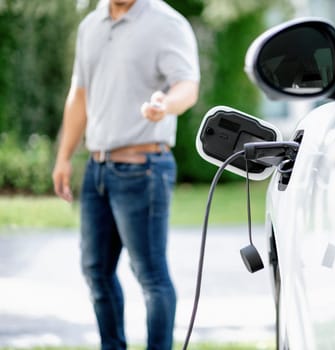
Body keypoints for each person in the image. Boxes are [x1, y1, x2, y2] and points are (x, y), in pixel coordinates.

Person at [51, 0, 199, 349]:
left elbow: (187, 86)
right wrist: (63, 156)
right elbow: (80, 94)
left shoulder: (166, 22)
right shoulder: (91, 25)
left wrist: (165, 105)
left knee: (150, 275)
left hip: (143, 169)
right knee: (95, 271)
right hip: (96, 168)